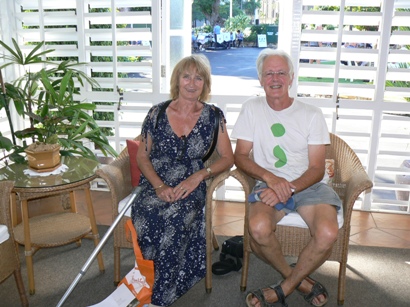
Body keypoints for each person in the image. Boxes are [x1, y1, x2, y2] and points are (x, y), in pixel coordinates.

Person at [231, 49, 341, 307]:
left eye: (281, 72)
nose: (275, 78)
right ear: (260, 79)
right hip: (269, 185)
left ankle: (285, 287)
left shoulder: (311, 114)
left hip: (308, 185)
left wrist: (289, 187)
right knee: (258, 229)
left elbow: (316, 168)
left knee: (327, 232)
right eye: (269, 73)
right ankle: (301, 281)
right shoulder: (251, 109)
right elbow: (241, 156)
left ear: (291, 78)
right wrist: (271, 179)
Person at [131, 54, 234, 307]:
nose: (191, 83)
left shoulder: (213, 116)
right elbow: (142, 156)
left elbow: (228, 158)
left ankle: (160, 295)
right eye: (186, 76)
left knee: (176, 217)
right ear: (177, 80)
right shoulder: (157, 113)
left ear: (205, 84)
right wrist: (159, 186)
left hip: (192, 181)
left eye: (198, 78)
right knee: (146, 216)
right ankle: (149, 276)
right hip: (156, 179)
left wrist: (199, 176)